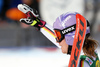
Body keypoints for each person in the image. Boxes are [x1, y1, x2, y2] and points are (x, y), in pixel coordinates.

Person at [17, 4, 100, 67]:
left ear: (71, 37)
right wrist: (39, 24)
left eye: (59, 36)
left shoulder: (83, 62)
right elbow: (65, 43)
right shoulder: (89, 53)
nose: (57, 40)